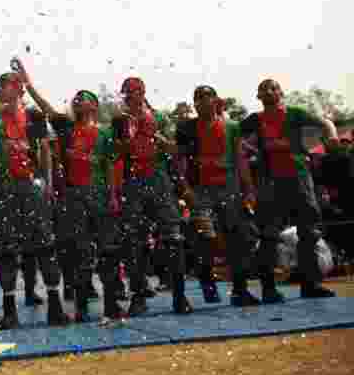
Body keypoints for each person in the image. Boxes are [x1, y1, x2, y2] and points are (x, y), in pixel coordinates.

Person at [22, 69, 117, 321]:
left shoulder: (106, 133)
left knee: (107, 250)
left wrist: (113, 194)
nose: (78, 99)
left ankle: (111, 304)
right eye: (76, 97)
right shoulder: (65, 127)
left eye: (83, 96)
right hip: (73, 197)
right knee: (80, 251)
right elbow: (45, 106)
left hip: (99, 194)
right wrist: (28, 83)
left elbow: (111, 166)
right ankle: (82, 306)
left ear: (94, 105)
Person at [239, 79, 340, 301]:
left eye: (272, 87)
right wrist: (246, 163)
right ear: (258, 96)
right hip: (270, 181)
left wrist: (332, 136)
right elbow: (235, 140)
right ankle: (268, 289)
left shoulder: (295, 113)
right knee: (268, 234)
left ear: (280, 92)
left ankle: (310, 285)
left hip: (299, 177)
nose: (268, 91)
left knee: (309, 231)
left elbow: (326, 123)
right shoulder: (254, 120)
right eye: (263, 89)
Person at [0, 72, 69, 328]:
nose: (0, 89)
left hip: (32, 187)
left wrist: (47, 184)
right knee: (7, 250)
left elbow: (45, 150)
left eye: (6, 84)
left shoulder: (33, 116)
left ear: (19, 89)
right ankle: (10, 312)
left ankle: (55, 306)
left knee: (45, 245)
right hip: (5, 189)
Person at [109, 78, 193, 317]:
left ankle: (179, 295)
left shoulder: (159, 117)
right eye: (127, 92)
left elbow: (174, 150)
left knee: (173, 237)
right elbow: (116, 154)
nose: (131, 95)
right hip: (132, 182)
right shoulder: (119, 120)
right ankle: (138, 295)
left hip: (159, 178)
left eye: (135, 91)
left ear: (143, 92)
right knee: (134, 240)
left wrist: (155, 137)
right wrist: (128, 137)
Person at [175, 85, 260, 306]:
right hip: (200, 190)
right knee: (205, 238)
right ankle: (207, 281)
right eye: (197, 98)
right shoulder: (186, 128)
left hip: (229, 188)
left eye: (206, 97)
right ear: (194, 104)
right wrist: (185, 188)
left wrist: (248, 188)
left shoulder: (232, 126)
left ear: (215, 100)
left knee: (237, 238)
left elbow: (240, 158)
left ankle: (240, 291)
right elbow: (180, 162)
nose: (202, 101)